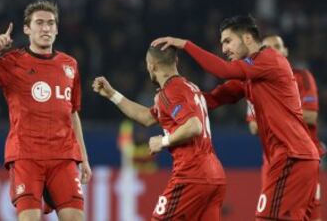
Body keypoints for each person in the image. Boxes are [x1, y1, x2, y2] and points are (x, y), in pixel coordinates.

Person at [152, 15, 320, 220]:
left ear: (248, 38)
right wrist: (172, 101)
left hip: (292, 155)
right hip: (293, 156)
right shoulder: (250, 75)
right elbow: (212, 99)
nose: (224, 49)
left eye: (228, 41)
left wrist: (186, 45)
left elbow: (223, 71)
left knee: (267, 217)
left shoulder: (269, 60)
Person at [0, 0, 91, 221]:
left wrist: (83, 158)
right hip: (26, 156)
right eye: (40, 23)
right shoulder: (12, 62)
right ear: (27, 29)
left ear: (57, 29)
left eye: (51, 23)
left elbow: (72, 113)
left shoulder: (69, 64)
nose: (46, 28)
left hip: (63, 157)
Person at [92, 44, 226, 220]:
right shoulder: (189, 87)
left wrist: (163, 141)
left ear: (151, 66)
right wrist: (112, 94)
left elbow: (194, 126)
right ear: (175, 61)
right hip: (215, 175)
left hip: (192, 175)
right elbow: (146, 117)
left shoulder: (170, 92)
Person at [246, 34, 325, 221]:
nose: (273, 51)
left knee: (310, 214)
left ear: (286, 51)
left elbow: (312, 116)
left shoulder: (302, 77)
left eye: (277, 46)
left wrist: (273, 110)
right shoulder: (254, 83)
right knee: (269, 215)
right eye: (268, 48)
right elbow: (253, 126)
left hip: (302, 158)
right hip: (273, 160)